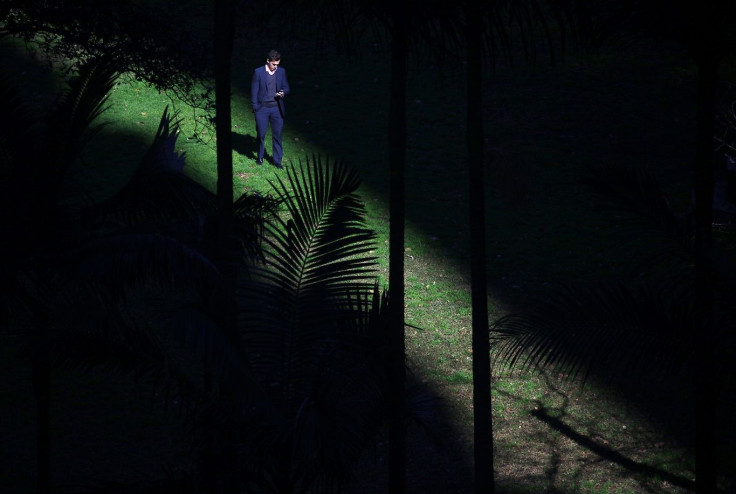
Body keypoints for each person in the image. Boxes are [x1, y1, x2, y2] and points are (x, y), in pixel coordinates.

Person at [251, 49, 290, 168]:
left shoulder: (281, 71)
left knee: (277, 135)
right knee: (261, 134)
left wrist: (282, 93)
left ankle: (277, 161)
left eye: (277, 64)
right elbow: (254, 90)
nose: (275, 67)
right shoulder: (258, 72)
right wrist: (256, 107)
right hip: (262, 109)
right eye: (273, 64)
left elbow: (287, 87)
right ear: (268, 61)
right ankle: (260, 157)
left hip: (277, 109)